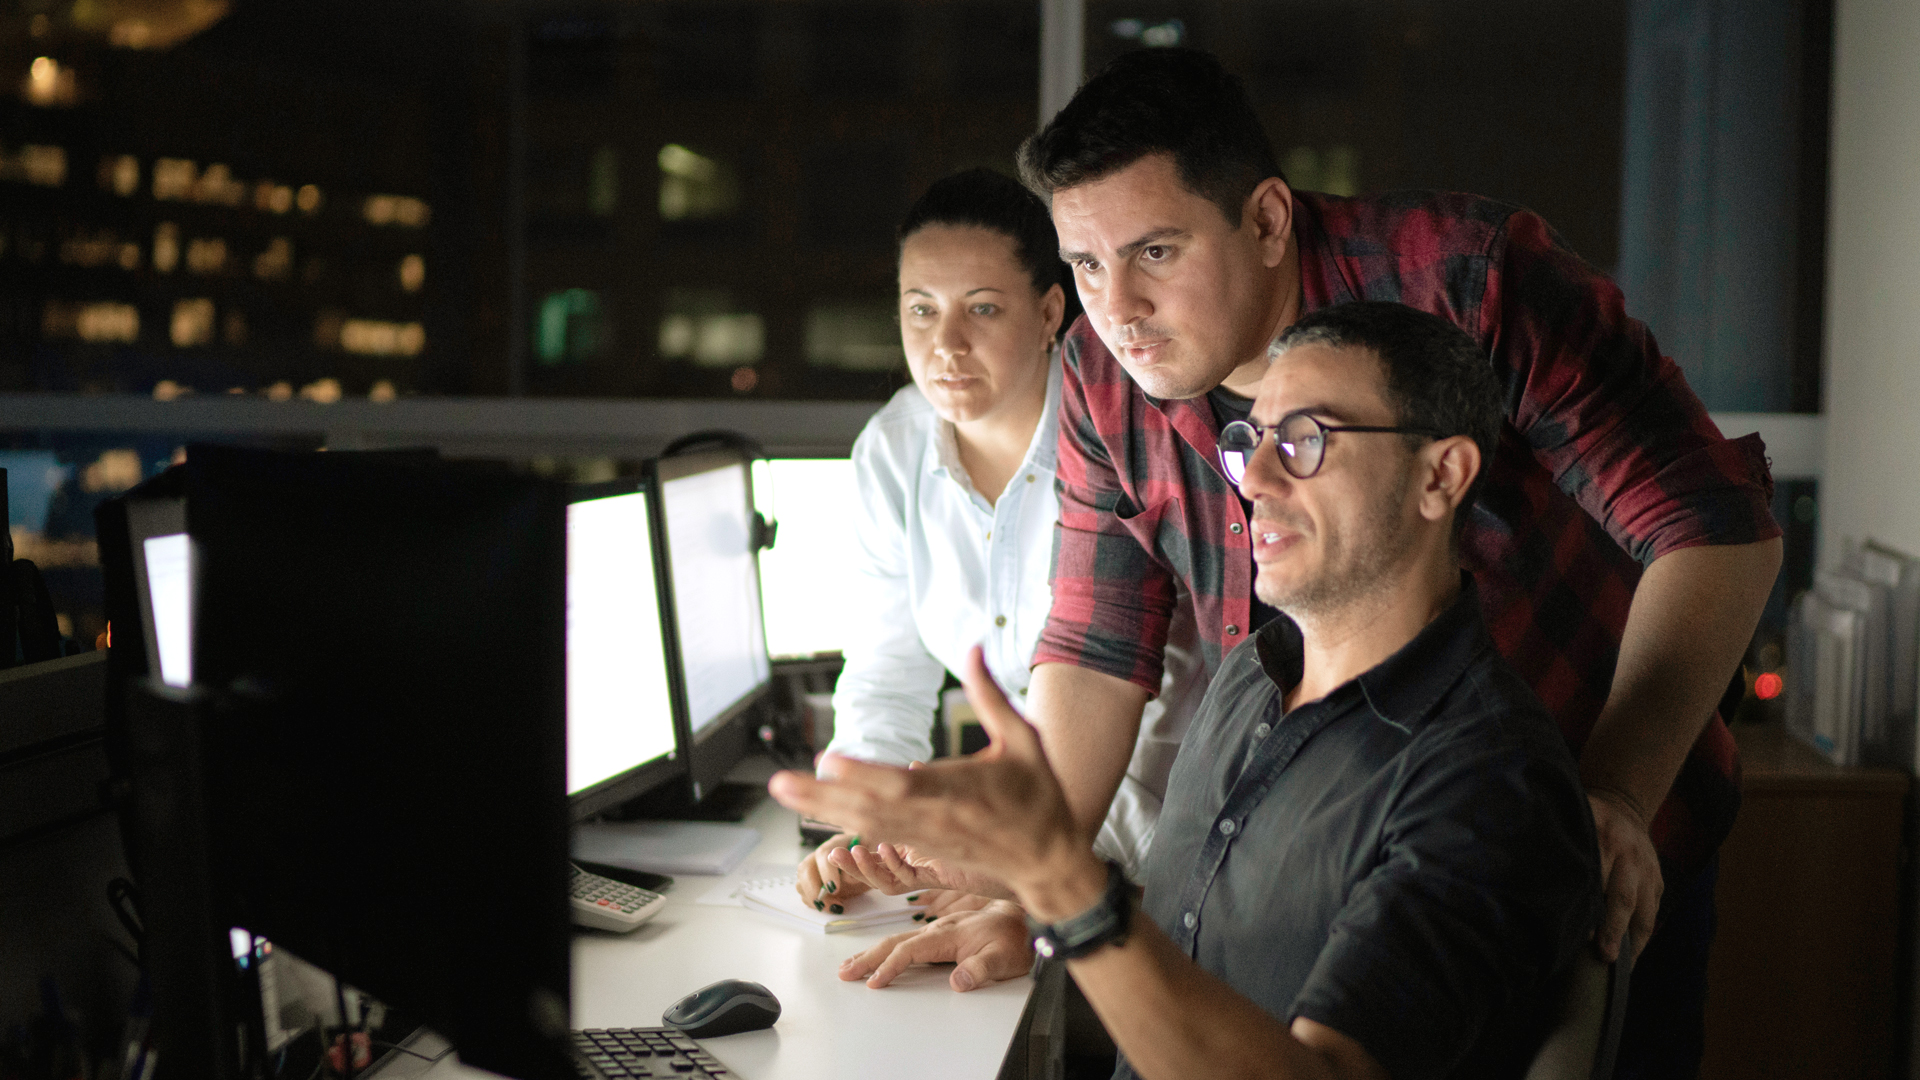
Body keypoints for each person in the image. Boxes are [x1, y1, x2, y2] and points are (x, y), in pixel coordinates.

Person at [864, 48, 1782, 1075]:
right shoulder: (1098, 373)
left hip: (1559, 799)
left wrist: (1615, 794)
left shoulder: (1463, 277)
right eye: (1083, 265)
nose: (1116, 309)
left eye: (1155, 252)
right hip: (1306, 823)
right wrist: (1028, 882)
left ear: (1264, 220)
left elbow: (1714, 521)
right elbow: (1094, 642)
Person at [773, 302, 1603, 1080]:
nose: (1257, 481)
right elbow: (1210, 931)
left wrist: (1066, 886)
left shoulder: (1490, 785)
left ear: (1440, 476)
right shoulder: (1253, 674)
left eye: (1307, 440)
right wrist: (1047, 923)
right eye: (1252, 441)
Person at [794, 168, 1201, 986]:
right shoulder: (895, 446)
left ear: (1052, 311)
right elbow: (888, 670)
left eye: (981, 308)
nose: (945, 344)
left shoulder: (1128, 442)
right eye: (921, 309)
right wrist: (867, 826)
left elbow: (1168, 717)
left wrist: (1028, 868)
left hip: (1159, 851)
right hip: (1016, 847)